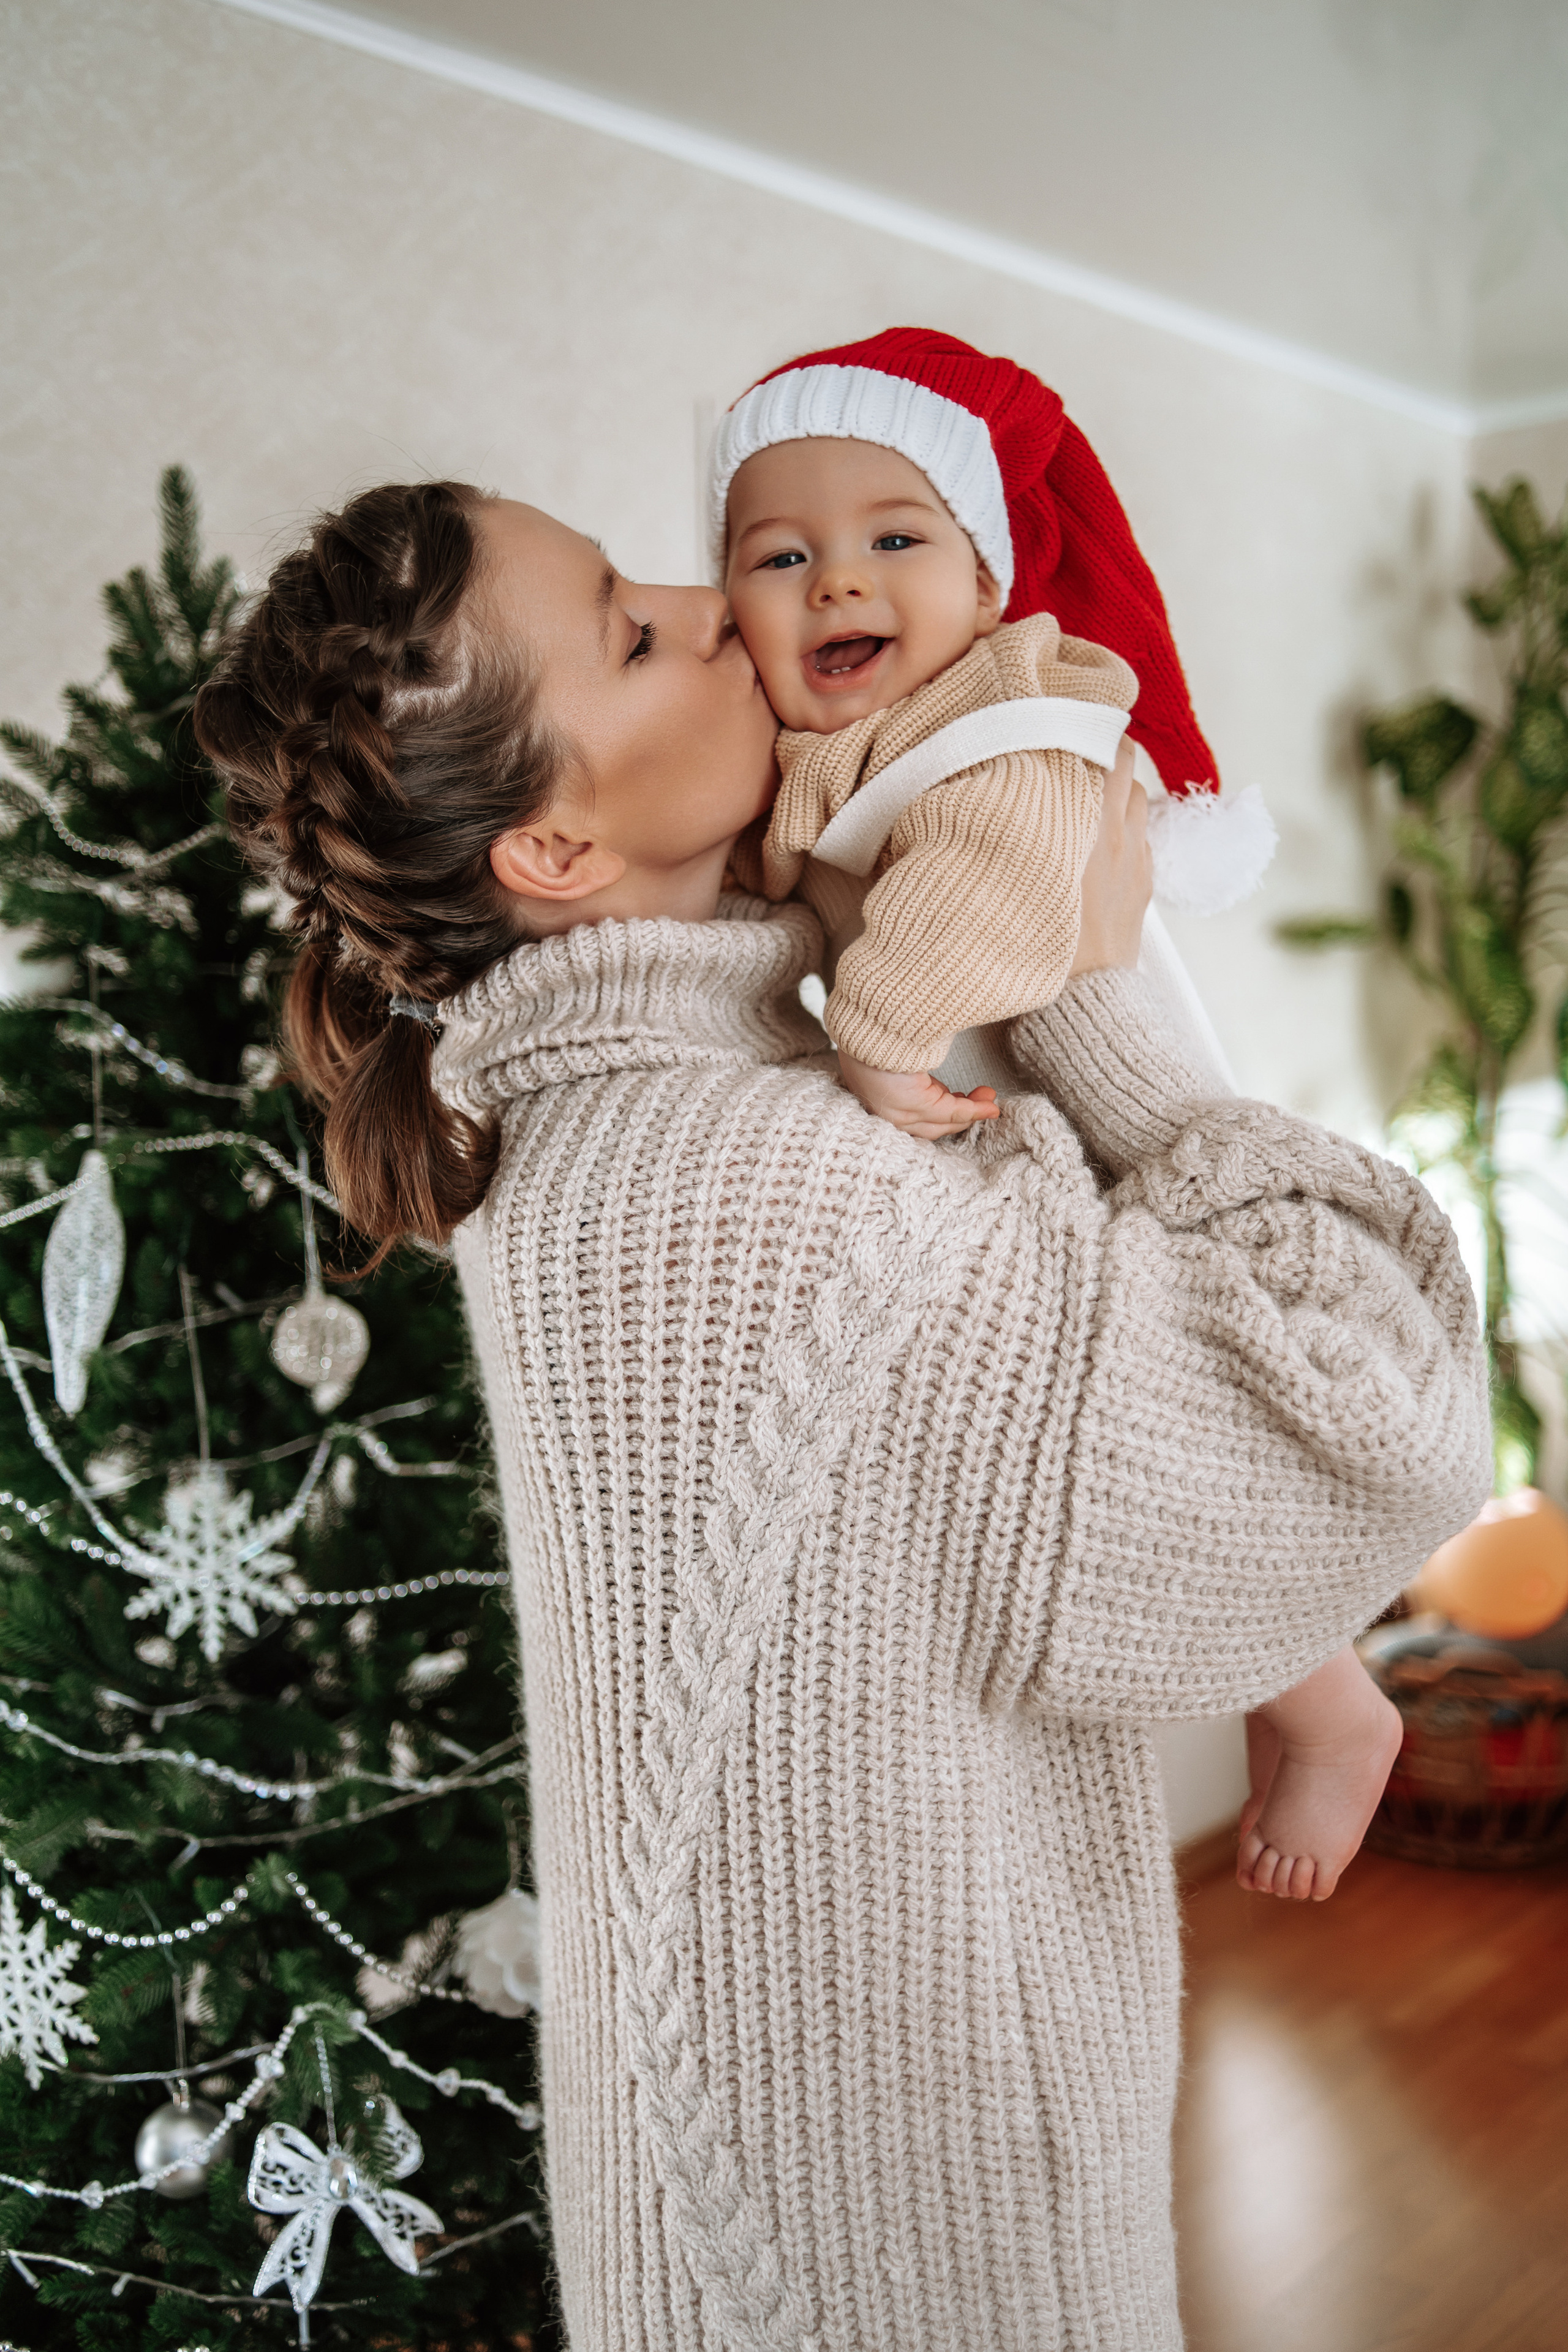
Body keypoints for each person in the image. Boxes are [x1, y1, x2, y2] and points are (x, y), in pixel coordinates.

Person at [197, 477, 1490, 2352]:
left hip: (783, 2225)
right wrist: (1096, 974)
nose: (717, 604)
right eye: (634, 630)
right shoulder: (743, 1191)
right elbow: (1380, 1418)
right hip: (895, 2248)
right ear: (553, 852)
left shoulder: (630, 1124)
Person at [717, 330, 1404, 1909]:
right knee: (1143, 1438)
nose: (838, 584)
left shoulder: (1008, 723)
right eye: (781, 555)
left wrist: (875, 1034)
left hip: (1099, 1102)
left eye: (896, 540)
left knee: (1187, 1410)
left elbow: (992, 883)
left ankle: (1326, 1698)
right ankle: (1314, 1691)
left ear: (984, 580)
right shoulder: (847, 742)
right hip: (1019, 1107)